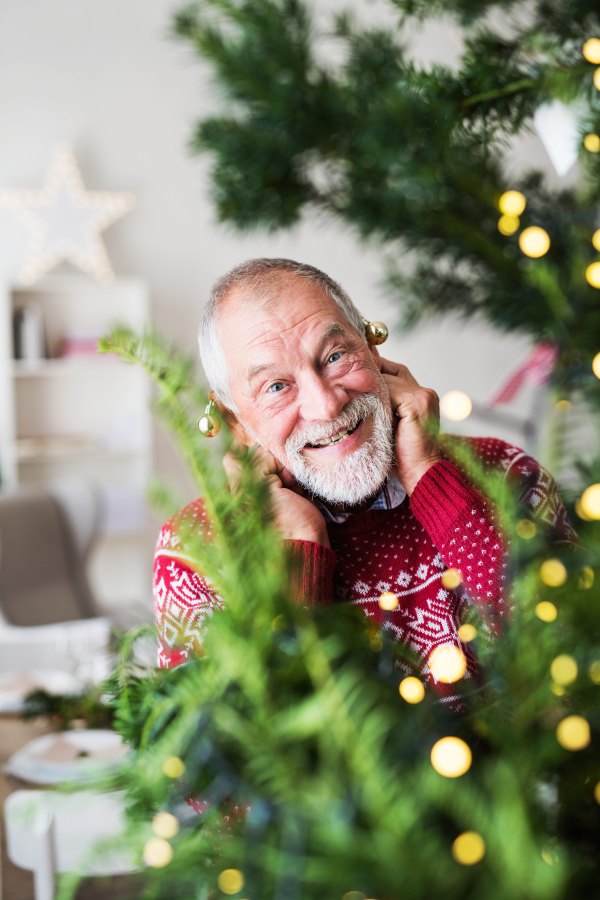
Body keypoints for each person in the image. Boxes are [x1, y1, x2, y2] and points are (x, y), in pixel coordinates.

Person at [153, 258, 576, 703]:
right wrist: (297, 545)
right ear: (236, 424)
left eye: (335, 357)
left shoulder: (508, 474)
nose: (326, 406)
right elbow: (251, 760)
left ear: (374, 352)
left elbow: (574, 661)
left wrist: (431, 476)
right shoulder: (194, 551)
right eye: (277, 387)